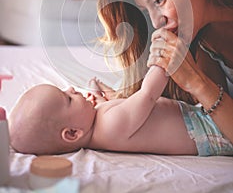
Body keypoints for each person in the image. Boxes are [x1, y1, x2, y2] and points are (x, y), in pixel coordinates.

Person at [96, 0, 233, 144]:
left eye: (159, 0)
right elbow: (216, 121)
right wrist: (123, 105)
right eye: (145, 9)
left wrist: (197, 83)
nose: (156, 21)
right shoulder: (202, 37)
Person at [9, 66, 233, 157]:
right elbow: (147, 94)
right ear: (72, 133)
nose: (70, 89)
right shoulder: (110, 126)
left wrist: (97, 93)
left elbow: (104, 105)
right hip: (212, 131)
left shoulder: (93, 123)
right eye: (67, 98)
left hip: (199, 117)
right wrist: (162, 64)